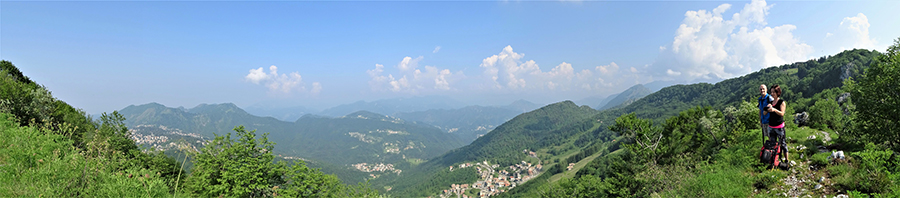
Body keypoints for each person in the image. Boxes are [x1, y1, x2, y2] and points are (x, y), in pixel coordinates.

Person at [765, 84, 788, 161]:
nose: (772, 94)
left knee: (783, 144)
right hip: (771, 126)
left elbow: (782, 113)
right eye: (771, 92)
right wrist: (767, 109)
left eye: (773, 92)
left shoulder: (781, 102)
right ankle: (774, 159)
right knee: (773, 144)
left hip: (779, 126)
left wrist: (774, 110)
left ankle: (786, 160)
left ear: (778, 92)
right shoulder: (770, 102)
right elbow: (764, 113)